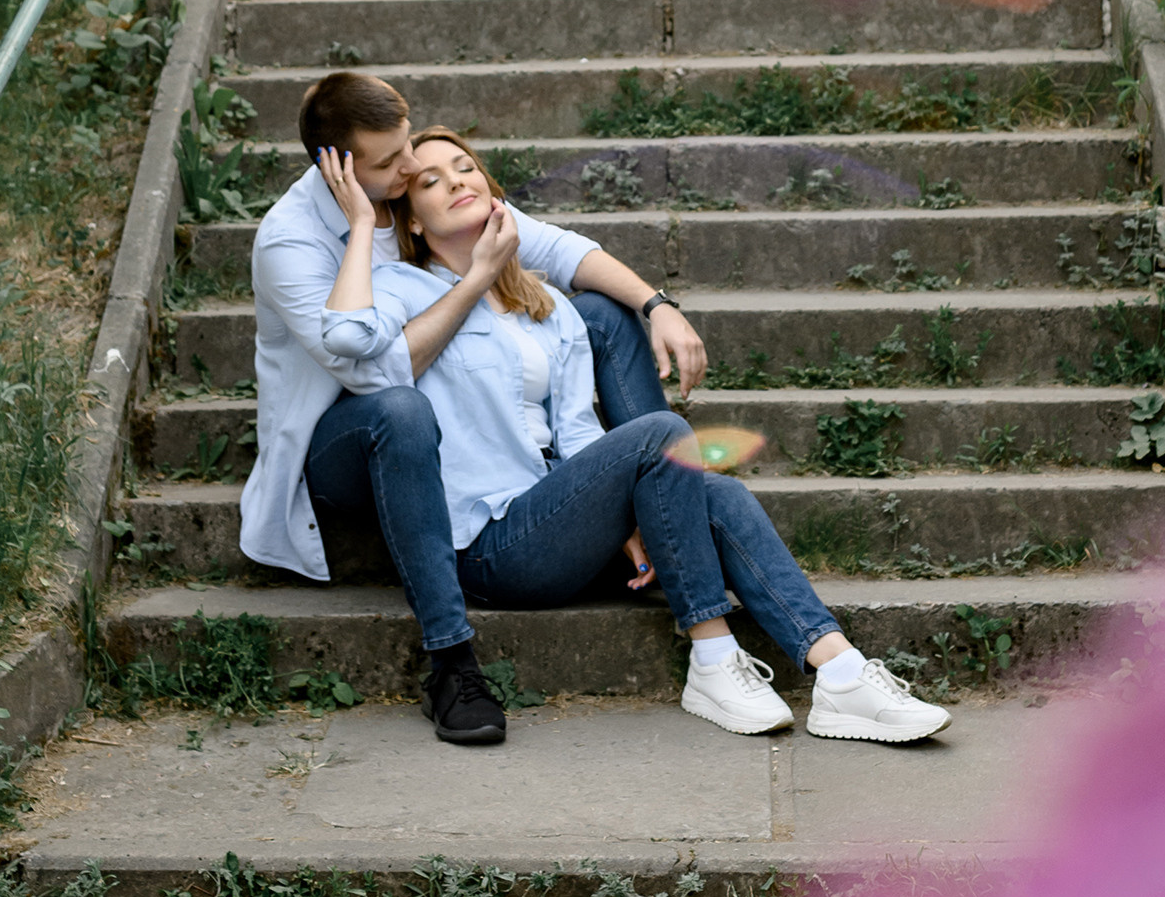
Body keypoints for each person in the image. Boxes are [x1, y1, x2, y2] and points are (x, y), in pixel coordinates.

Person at [319, 127, 952, 750]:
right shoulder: (400, 292)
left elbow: (576, 433)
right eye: (430, 180)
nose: (457, 180)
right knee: (662, 436)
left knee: (716, 494)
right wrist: (472, 278)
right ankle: (710, 652)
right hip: (486, 545)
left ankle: (840, 671)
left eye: (465, 167)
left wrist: (622, 514)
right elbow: (370, 362)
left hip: (552, 520)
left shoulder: (547, 307)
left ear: (492, 189)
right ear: (414, 223)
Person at [246, 68, 710, 744]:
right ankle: (451, 662)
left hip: (431, 413)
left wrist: (656, 304)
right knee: (402, 411)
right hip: (338, 441)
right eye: (390, 161)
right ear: (335, 165)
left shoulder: (414, 179)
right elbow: (378, 370)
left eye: (409, 146)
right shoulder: (290, 242)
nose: (411, 166)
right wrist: (455, 270)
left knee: (603, 312)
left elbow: (555, 248)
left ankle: (660, 512)